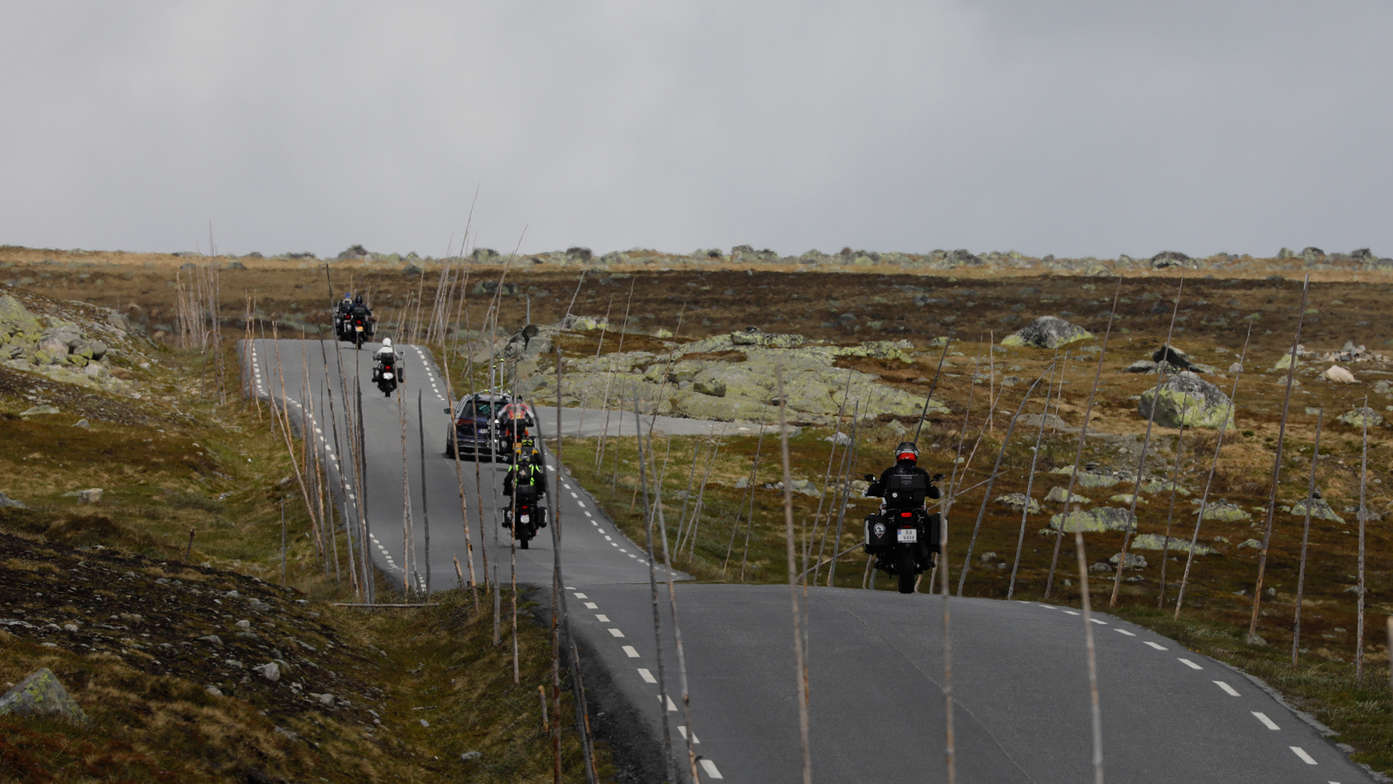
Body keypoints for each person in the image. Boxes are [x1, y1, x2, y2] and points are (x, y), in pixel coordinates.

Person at [865, 441, 940, 510]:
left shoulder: (889, 472)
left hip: (894, 512)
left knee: (874, 518)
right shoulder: (921, 473)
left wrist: (872, 488)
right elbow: (934, 493)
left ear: (898, 455)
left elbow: (879, 487)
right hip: (916, 513)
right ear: (916, 455)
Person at [502, 450, 548, 527]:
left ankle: (509, 518)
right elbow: (540, 480)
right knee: (534, 506)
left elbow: (507, 479)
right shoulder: (533, 466)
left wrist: (506, 490)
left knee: (512, 505)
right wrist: (541, 491)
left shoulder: (515, 466)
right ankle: (537, 520)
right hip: (531, 494)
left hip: (517, 493)